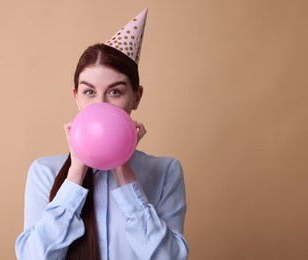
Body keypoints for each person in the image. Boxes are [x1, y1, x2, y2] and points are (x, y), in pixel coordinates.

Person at [15, 9, 189, 260]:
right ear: (76, 97)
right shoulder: (44, 172)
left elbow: (169, 258)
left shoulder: (165, 172)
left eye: (115, 92)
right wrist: (75, 174)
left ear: (136, 97)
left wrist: (126, 177)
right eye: (89, 92)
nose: (101, 105)